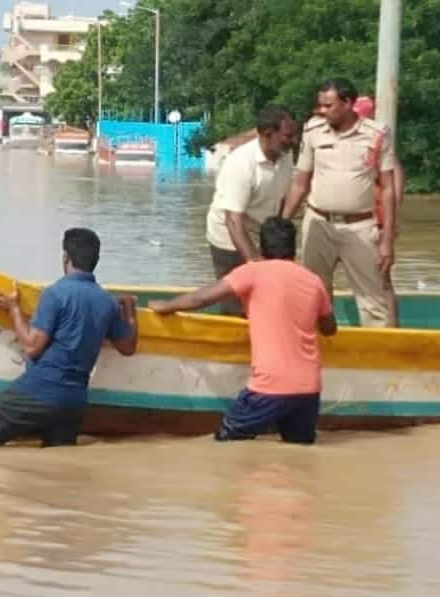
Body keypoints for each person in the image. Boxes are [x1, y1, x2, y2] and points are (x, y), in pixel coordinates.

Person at [148, 217, 337, 444]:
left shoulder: (252, 272)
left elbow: (202, 298)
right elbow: (329, 328)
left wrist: (166, 306)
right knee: (299, 450)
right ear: (293, 248)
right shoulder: (313, 280)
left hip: (269, 385)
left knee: (227, 441)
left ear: (261, 248)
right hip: (308, 389)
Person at [0, 228, 139, 448]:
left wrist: (14, 309)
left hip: (37, 391)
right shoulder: (107, 302)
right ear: (96, 260)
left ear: (65, 257)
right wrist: (130, 308)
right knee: (58, 460)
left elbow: (32, 346)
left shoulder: (54, 294)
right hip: (73, 403)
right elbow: (128, 347)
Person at [282, 78, 396, 327]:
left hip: (361, 227)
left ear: (347, 103)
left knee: (373, 301)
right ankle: (319, 345)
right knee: (313, 294)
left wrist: (387, 239)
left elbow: (388, 188)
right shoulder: (312, 130)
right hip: (318, 224)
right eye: (320, 105)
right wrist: (282, 222)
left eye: (328, 105)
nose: (322, 111)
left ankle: (379, 348)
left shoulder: (377, 134)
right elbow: (300, 182)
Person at [205, 104, 297, 315]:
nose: (293, 141)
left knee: (269, 295)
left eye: (294, 135)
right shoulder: (241, 164)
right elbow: (232, 220)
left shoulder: (285, 154)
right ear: (268, 134)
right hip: (229, 236)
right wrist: (254, 263)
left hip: (262, 232)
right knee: (237, 302)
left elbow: (283, 198)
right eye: (288, 136)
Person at [353, 94, 406, 326]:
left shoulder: (383, 155)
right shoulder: (360, 150)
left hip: (376, 225)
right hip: (357, 224)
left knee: (382, 280)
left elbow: (394, 192)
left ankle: (391, 331)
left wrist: (387, 231)